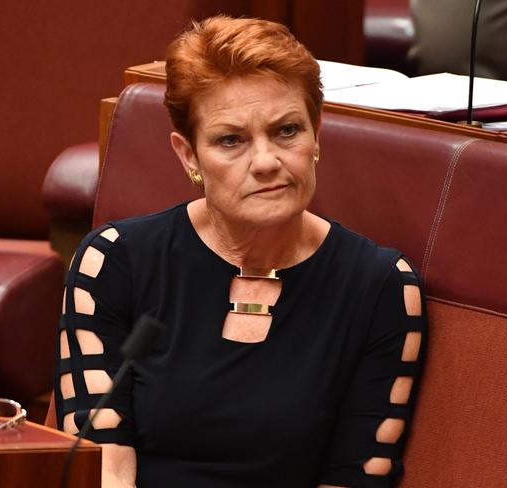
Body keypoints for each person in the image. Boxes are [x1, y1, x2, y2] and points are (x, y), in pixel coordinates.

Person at [54, 15, 427, 488]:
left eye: (287, 130)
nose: (267, 162)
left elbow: (357, 476)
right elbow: (102, 464)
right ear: (188, 156)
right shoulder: (114, 262)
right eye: (231, 140)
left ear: (317, 134)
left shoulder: (381, 288)